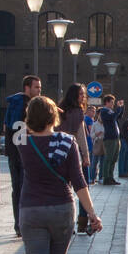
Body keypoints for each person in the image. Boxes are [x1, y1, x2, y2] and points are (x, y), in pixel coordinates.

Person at [17, 95, 101, 254]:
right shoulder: (67, 142)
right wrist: (92, 214)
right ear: (54, 117)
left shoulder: (22, 142)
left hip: (31, 209)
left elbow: (18, 129)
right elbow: (79, 182)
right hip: (62, 209)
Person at [3, 75, 41, 237]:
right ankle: (25, 224)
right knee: (26, 189)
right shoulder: (26, 105)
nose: (39, 90)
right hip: (24, 153)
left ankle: (19, 224)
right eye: (36, 87)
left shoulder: (13, 103)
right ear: (27, 88)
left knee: (17, 189)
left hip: (13, 152)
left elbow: (6, 128)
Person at [57, 84, 91, 233]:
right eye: (80, 94)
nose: (83, 97)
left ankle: (65, 223)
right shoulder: (78, 113)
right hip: (73, 153)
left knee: (65, 190)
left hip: (59, 153)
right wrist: (86, 156)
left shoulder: (59, 111)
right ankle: (82, 223)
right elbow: (81, 137)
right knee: (83, 187)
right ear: (74, 96)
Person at [96, 95, 125, 184]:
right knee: (108, 158)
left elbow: (118, 116)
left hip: (116, 138)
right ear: (107, 102)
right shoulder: (104, 111)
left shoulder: (111, 111)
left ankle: (111, 177)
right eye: (112, 102)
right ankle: (106, 178)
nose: (113, 104)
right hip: (110, 138)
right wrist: (118, 108)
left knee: (114, 158)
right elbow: (113, 117)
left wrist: (122, 108)